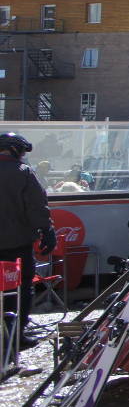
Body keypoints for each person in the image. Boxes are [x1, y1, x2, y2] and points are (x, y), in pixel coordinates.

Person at [0, 133, 55, 347]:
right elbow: (37, 206)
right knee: (19, 289)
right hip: (16, 245)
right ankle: (16, 337)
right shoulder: (23, 173)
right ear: (14, 150)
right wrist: (46, 230)